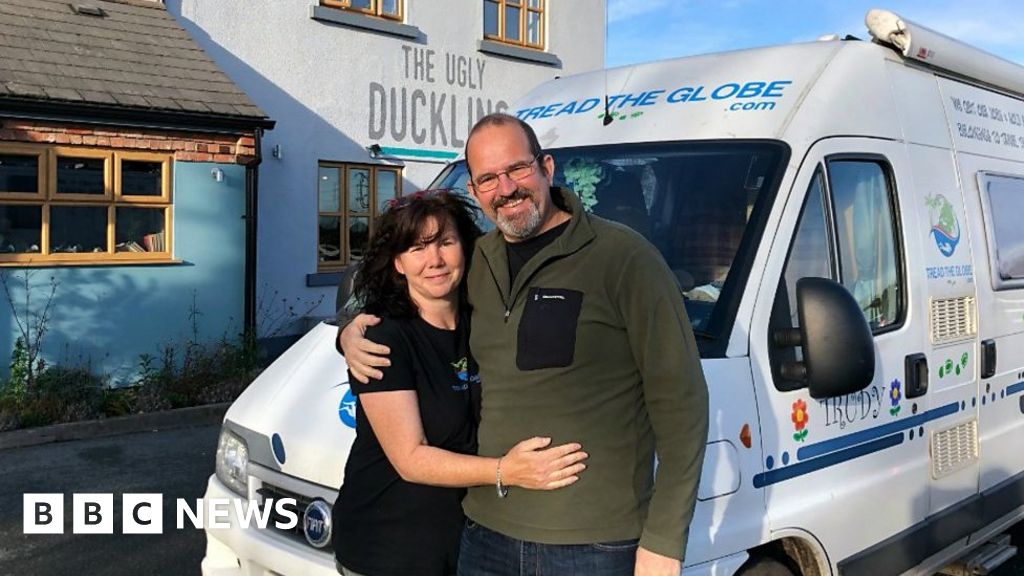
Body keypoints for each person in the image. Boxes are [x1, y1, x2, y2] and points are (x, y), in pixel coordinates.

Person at [341, 114, 708, 576]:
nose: (506, 189)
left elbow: (681, 403)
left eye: (517, 168)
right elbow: (411, 300)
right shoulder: (477, 262)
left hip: (592, 545)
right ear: (475, 191)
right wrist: (348, 330)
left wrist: (664, 541)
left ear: (546, 167)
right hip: (483, 534)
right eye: (488, 178)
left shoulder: (623, 259)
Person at [331, 191, 589, 576]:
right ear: (398, 262)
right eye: (417, 248)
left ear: (465, 248)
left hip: (468, 546)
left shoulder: (483, 322)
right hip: (387, 548)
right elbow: (410, 459)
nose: (434, 260)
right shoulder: (383, 340)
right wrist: (506, 471)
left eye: (445, 242)